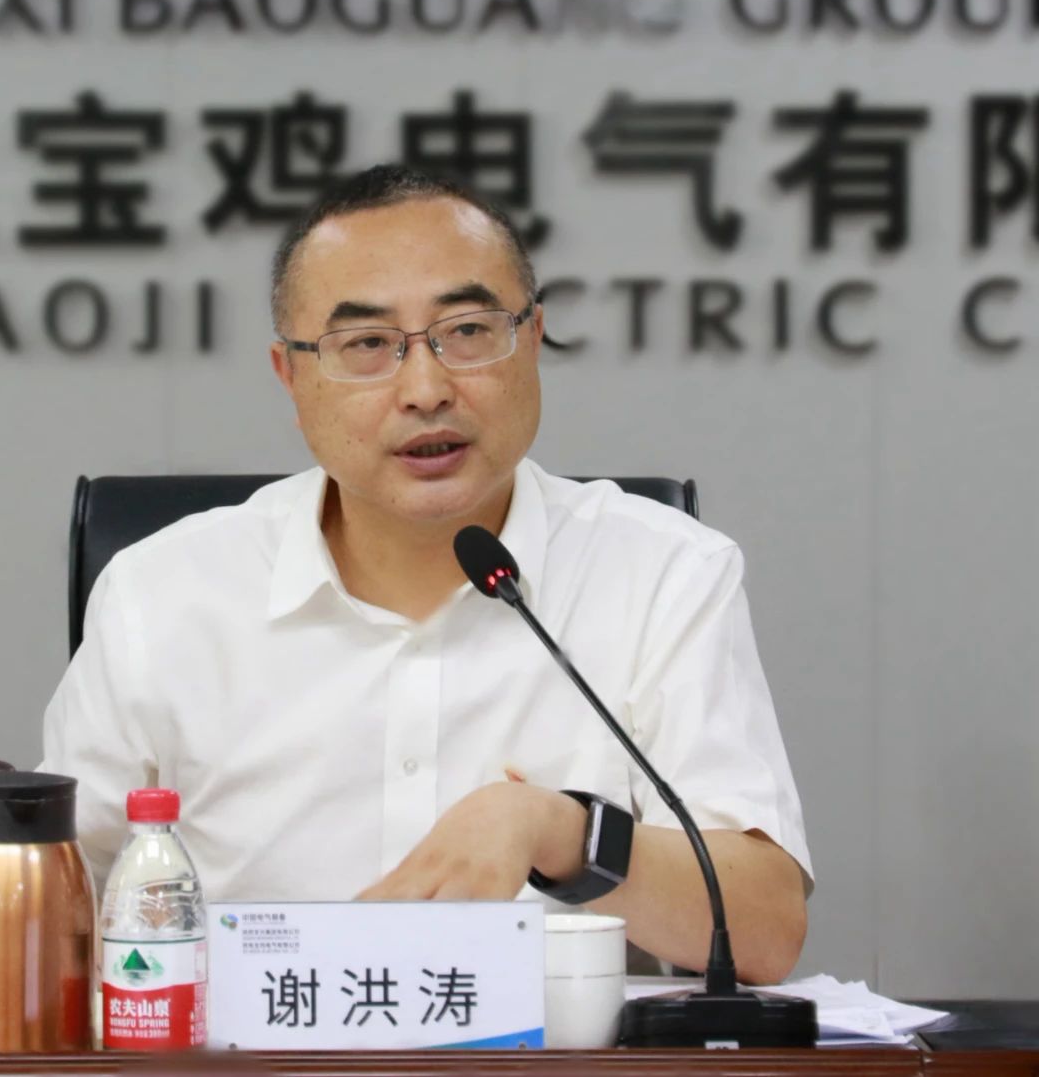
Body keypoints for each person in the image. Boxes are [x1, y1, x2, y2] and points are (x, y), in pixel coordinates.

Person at [41, 164, 811, 985]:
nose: (425, 388)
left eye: (468, 330)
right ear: (291, 376)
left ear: (533, 338)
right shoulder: (161, 595)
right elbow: (53, 923)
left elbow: (763, 927)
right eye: (367, 345)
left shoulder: (662, 573)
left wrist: (560, 832)